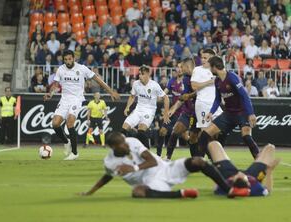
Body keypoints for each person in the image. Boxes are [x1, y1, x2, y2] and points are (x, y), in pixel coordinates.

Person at [79, 132, 249, 199]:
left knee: (199, 161)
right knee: (137, 192)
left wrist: (134, 168)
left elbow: (151, 160)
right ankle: (181, 194)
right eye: (122, 145)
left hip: (164, 168)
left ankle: (228, 190)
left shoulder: (132, 142)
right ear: (113, 148)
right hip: (150, 182)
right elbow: (107, 176)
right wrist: (90, 192)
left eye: (124, 142)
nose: (126, 146)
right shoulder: (109, 162)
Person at [44, 50, 120, 160]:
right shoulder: (61, 69)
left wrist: (111, 91)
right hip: (64, 99)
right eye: (65, 59)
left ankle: (74, 153)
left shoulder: (82, 68)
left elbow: (97, 79)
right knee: (55, 124)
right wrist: (50, 94)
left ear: (74, 58)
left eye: (70, 59)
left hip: (76, 99)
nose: (68, 61)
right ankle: (67, 141)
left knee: (70, 122)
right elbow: (55, 84)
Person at [198, 56, 260, 159]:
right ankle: (203, 161)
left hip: (242, 113)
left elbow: (244, 96)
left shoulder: (232, 77)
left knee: (246, 136)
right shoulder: (217, 81)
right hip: (228, 114)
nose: (210, 70)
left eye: (210, 68)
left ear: (214, 67)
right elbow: (217, 99)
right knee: (204, 135)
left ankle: (260, 162)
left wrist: (251, 113)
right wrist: (211, 112)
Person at [122, 65, 170, 149]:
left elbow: (166, 98)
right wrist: (127, 107)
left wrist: (166, 113)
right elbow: (132, 96)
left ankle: (147, 150)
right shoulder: (136, 84)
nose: (140, 76)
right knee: (124, 129)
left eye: (142, 74)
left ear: (148, 74)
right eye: (139, 74)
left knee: (141, 131)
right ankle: (122, 150)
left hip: (149, 111)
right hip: (138, 109)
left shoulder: (154, 85)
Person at [209, 141, 280, 197]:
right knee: (270, 147)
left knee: (214, 144)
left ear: (233, 180)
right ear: (249, 183)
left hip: (227, 175)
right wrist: (269, 170)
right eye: (242, 176)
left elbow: (215, 187)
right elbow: (268, 190)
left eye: (238, 176)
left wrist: (216, 169)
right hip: (253, 175)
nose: (240, 173)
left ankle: (259, 158)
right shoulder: (256, 188)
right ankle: (259, 158)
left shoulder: (225, 187)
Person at [167, 58, 199, 159]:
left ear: (188, 67)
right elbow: (184, 95)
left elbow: (199, 93)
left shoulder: (199, 76)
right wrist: (173, 108)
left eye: (182, 67)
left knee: (194, 139)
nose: (181, 69)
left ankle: (197, 160)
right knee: (175, 131)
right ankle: (167, 157)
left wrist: (189, 96)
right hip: (187, 111)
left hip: (198, 113)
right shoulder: (185, 79)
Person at [157, 63, 185, 159]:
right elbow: (165, 92)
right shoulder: (172, 81)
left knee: (187, 137)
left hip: (184, 113)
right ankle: (158, 155)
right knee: (162, 131)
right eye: (178, 68)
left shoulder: (187, 82)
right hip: (173, 112)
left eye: (181, 68)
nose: (179, 69)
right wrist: (159, 97)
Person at [191, 49, 222, 130]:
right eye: (202, 58)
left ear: (212, 59)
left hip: (215, 105)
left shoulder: (217, 70)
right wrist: (209, 82)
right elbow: (194, 86)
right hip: (202, 103)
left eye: (205, 58)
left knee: (222, 127)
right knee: (204, 131)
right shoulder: (198, 69)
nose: (202, 60)